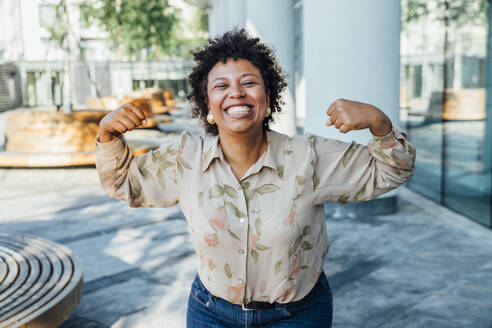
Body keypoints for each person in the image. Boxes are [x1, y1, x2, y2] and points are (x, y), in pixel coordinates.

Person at [95, 29, 416, 327]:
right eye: (221, 85)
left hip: (297, 314)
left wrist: (380, 123)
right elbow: (124, 182)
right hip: (210, 312)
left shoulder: (308, 157)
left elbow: (392, 170)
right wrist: (107, 133)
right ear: (207, 103)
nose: (236, 93)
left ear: (268, 97)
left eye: (249, 82)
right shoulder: (185, 159)